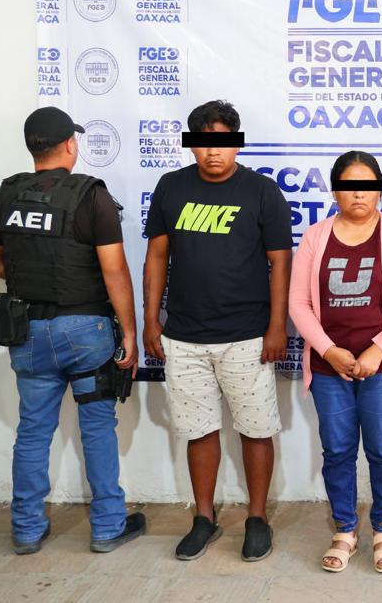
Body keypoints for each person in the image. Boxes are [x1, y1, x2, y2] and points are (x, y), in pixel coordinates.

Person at [0, 106, 146, 554]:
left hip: (28, 331)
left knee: (33, 431)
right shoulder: (91, 196)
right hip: (85, 330)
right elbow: (114, 271)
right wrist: (130, 333)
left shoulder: (4, 197)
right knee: (97, 427)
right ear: (70, 145)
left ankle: (26, 530)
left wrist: (31, 280)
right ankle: (107, 527)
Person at [142, 100, 292, 562]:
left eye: (222, 142)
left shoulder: (262, 191)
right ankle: (203, 518)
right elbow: (157, 257)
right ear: (191, 145)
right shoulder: (171, 187)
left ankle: (257, 518)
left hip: (247, 335)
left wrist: (276, 326)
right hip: (184, 336)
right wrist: (151, 319)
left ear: (237, 144)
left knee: (256, 430)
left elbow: (280, 262)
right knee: (199, 430)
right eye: (204, 142)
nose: (213, 151)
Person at [289, 151, 382, 573]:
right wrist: (328, 350)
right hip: (329, 368)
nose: (359, 193)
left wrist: (376, 349)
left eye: (367, 185)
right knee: (337, 450)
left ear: (380, 189)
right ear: (335, 192)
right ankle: (345, 530)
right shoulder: (315, 237)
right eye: (349, 185)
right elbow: (298, 304)